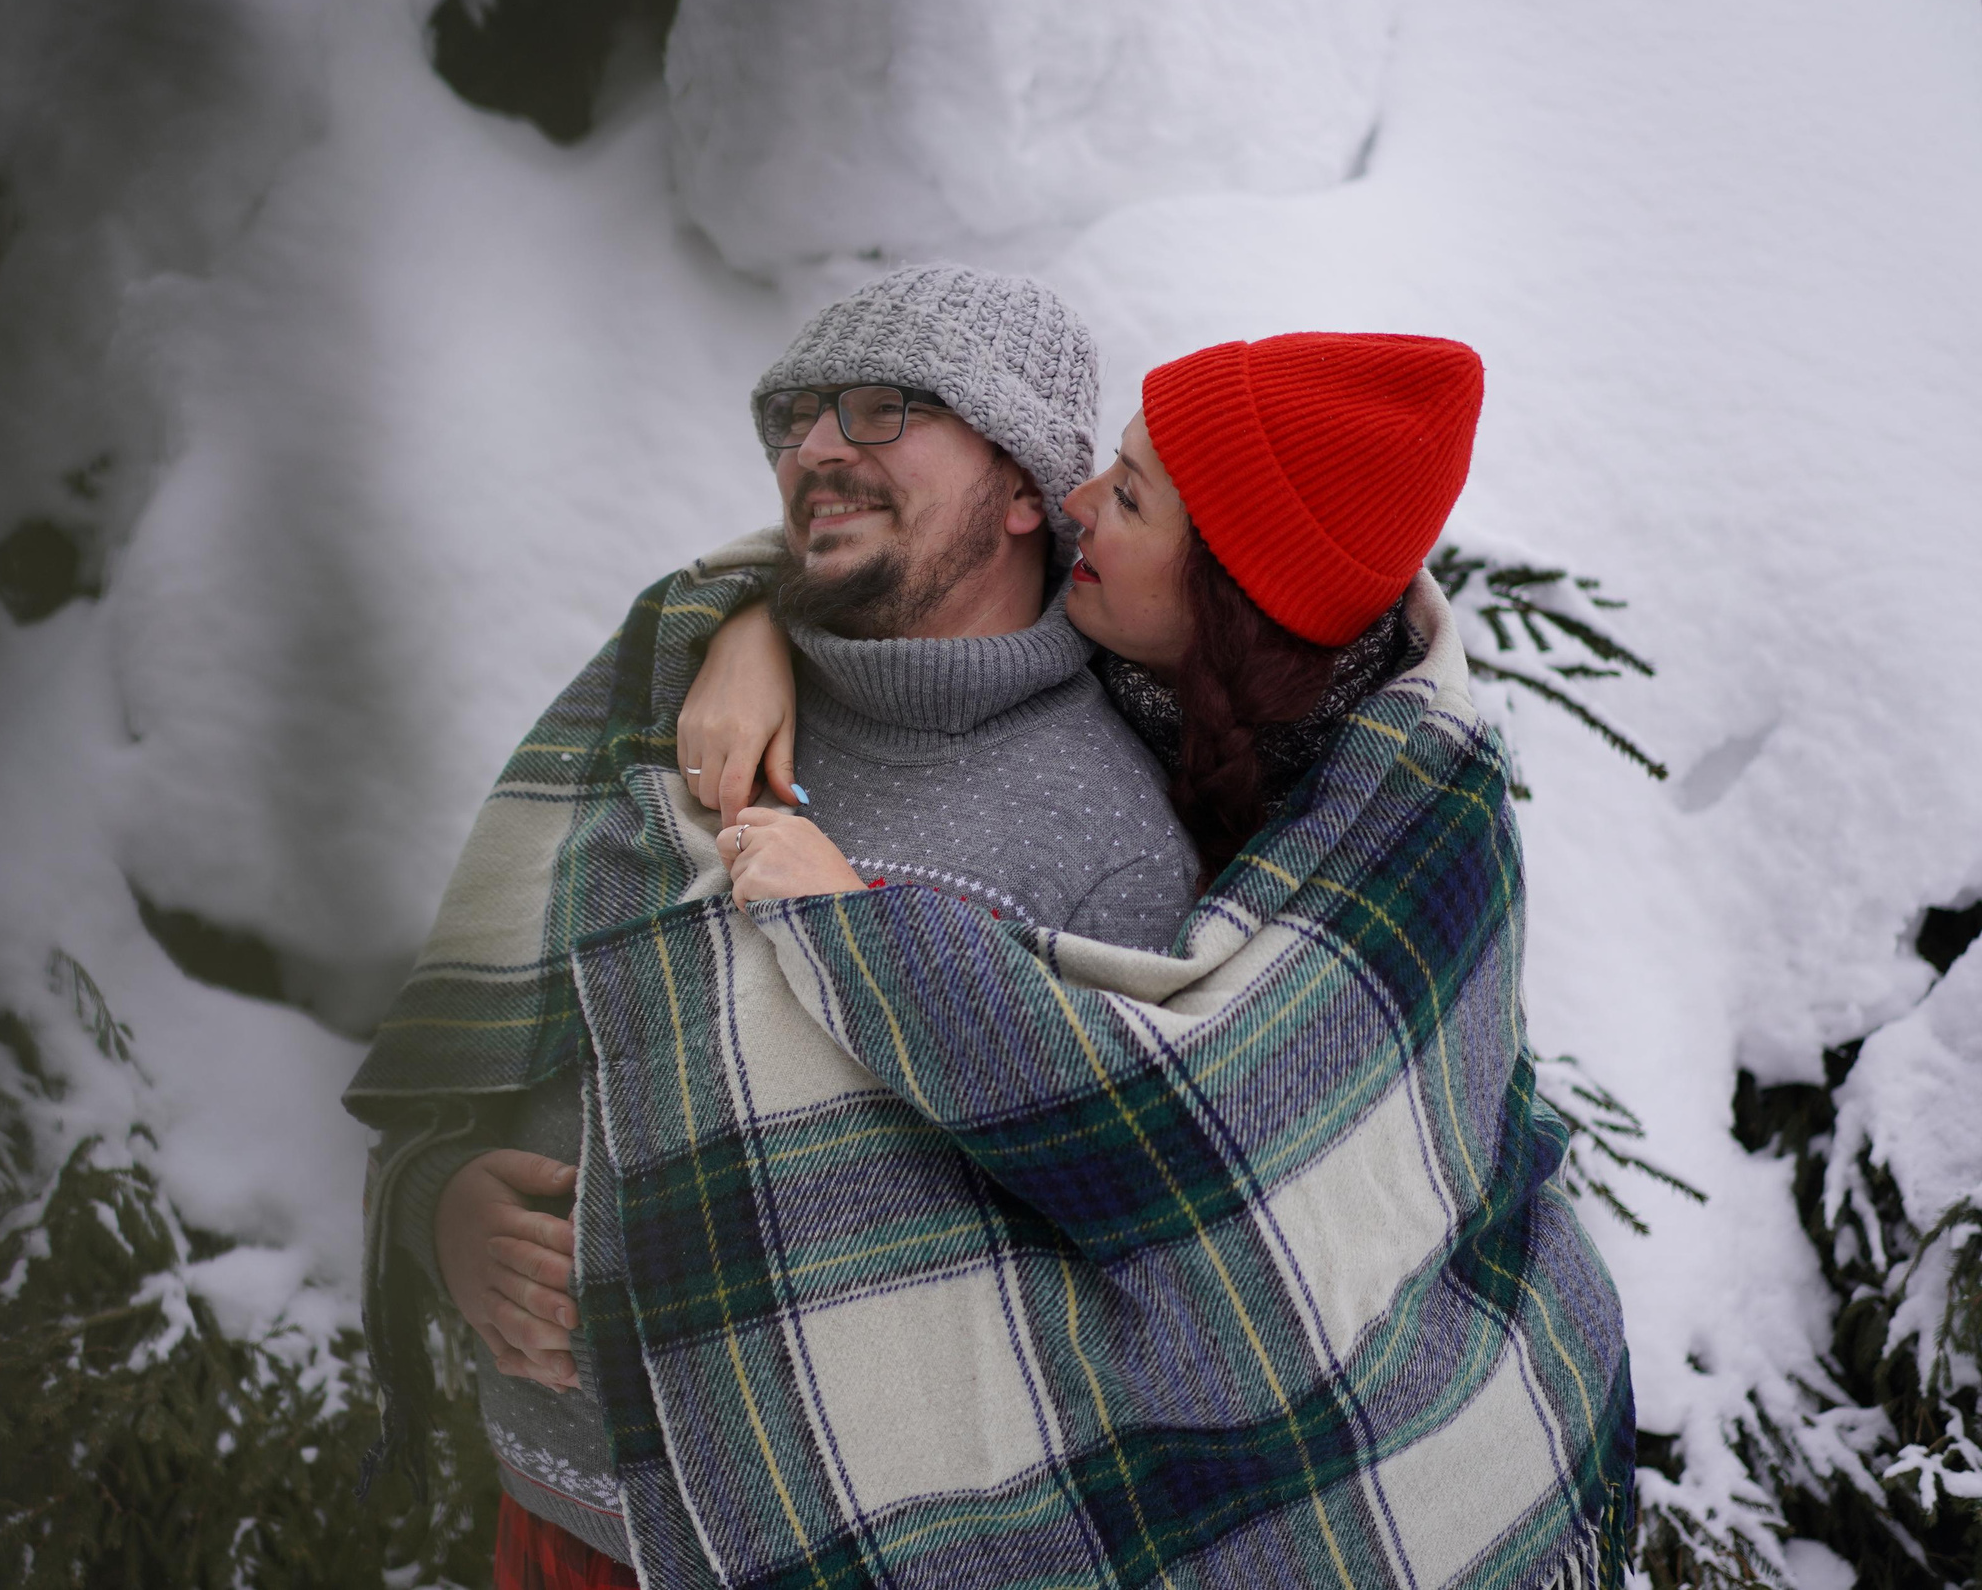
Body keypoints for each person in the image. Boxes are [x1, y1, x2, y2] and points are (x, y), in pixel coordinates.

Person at [685, 332, 1637, 1587]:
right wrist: (744, 624)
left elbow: (1207, 1130)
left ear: (1228, 594)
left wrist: (854, 928)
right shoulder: (1161, 656)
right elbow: (923, 548)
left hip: (1461, 1405)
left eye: (1125, 498)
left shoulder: (1407, 803)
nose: (1078, 505)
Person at [343, 266, 1201, 1590]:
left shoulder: (1107, 844)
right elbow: (483, 1032)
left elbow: (1119, 1294)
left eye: (882, 409)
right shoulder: (677, 700)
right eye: (798, 415)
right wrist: (438, 1210)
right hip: (554, 1520)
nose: (814, 448)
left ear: (1026, 483)